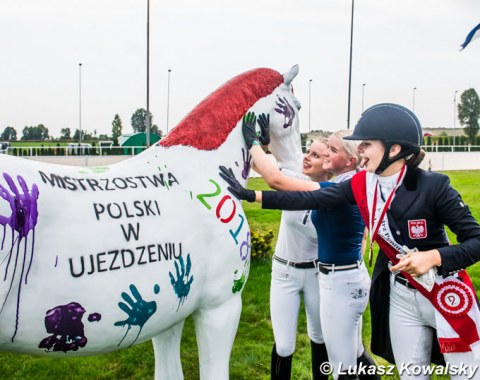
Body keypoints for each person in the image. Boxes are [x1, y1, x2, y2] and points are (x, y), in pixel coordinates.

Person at [220, 104, 480, 380]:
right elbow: (311, 199)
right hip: (401, 296)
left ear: (393, 150)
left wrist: (434, 257)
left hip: (444, 293)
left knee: (467, 374)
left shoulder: (434, 186)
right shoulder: (361, 185)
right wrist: (251, 196)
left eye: (366, 144)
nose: (361, 151)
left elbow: (475, 239)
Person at [229, 113, 378, 380]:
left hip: (337, 279)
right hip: (337, 276)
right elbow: (286, 189)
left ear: (351, 161)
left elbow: (278, 182)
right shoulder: (342, 184)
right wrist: (261, 149)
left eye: (331, 151)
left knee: (344, 360)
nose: (319, 156)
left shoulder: (339, 188)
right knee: (349, 352)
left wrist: (252, 144)